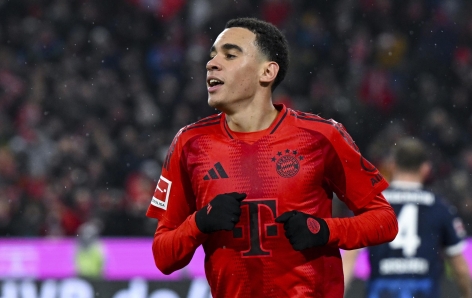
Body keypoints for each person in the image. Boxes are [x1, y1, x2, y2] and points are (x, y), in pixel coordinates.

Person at [146, 17, 398, 298]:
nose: (211, 63)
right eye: (213, 55)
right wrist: (200, 222)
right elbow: (163, 256)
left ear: (267, 72)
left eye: (229, 55)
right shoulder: (189, 143)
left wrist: (323, 230)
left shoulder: (322, 136)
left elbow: (385, 220)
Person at [342, 137, 472, 298]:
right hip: (423, 291)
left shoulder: (371, 205)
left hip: (382, 291)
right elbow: (459, 267)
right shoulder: (439, 207)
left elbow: (349, 258)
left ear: (392, 166)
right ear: (425, 169)